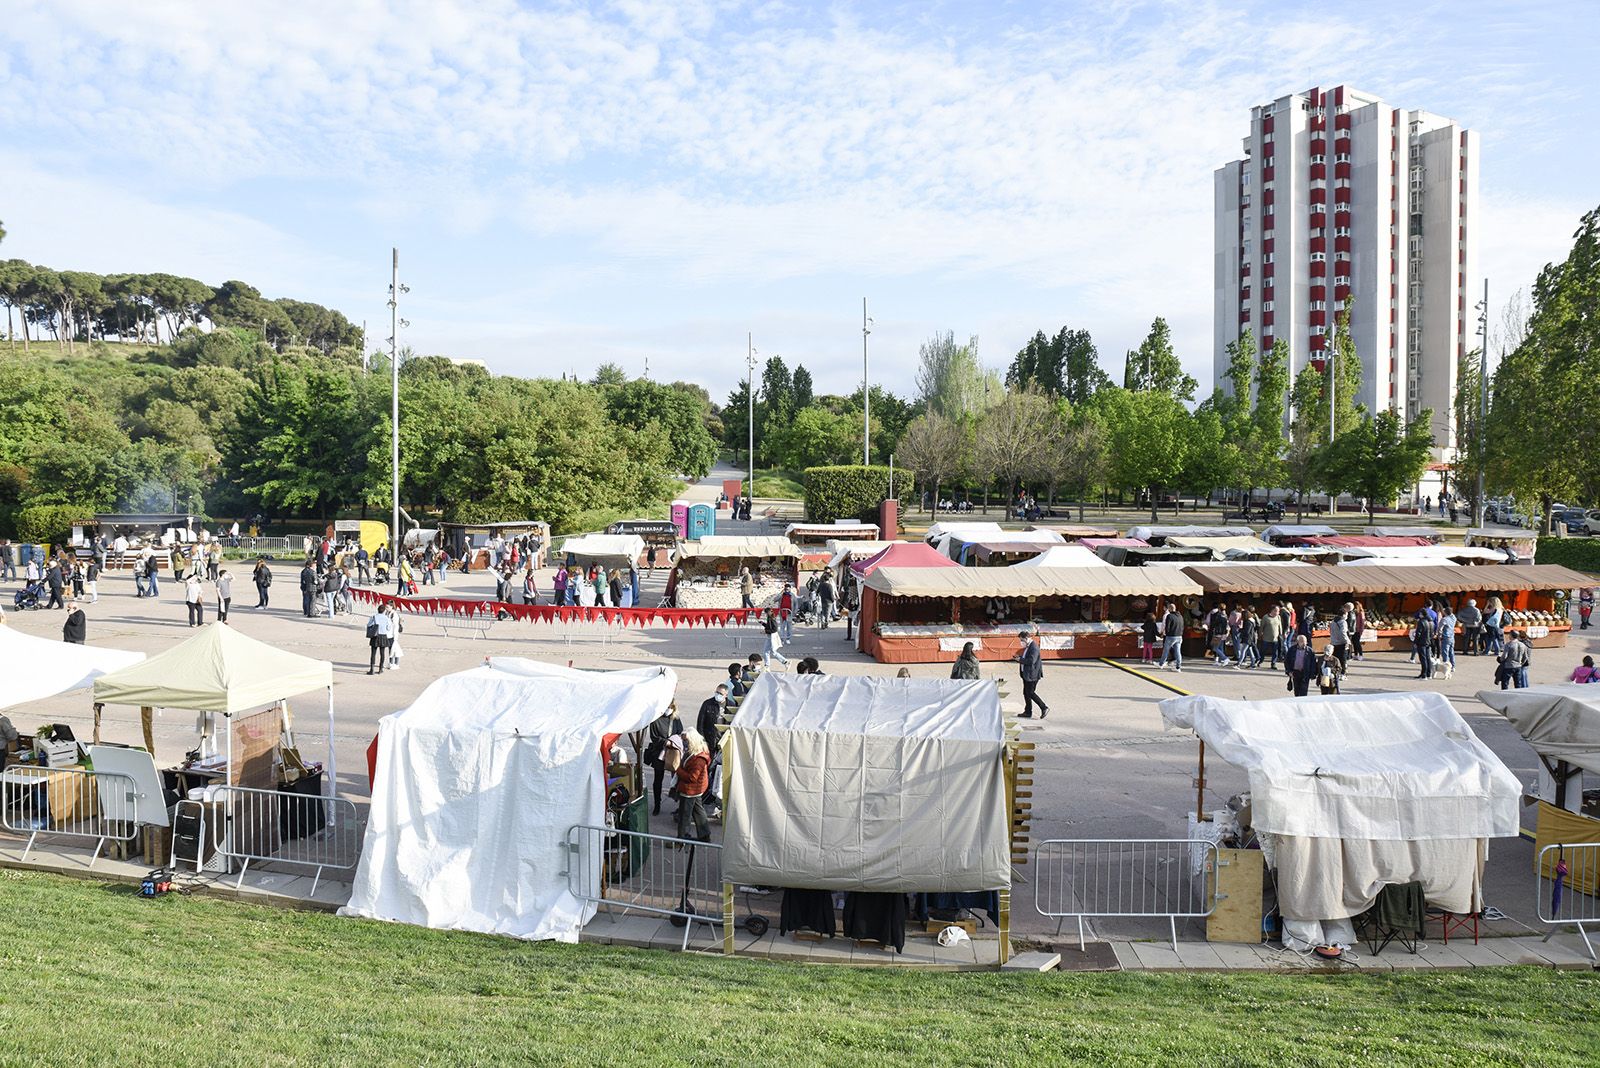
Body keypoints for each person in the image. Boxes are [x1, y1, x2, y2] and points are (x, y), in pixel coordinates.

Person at [643, 703, 684, 815]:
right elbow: (654, 737)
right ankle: (657, 804)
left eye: (670, 708)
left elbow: (680, 733)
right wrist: (666, 742)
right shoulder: (656, 720)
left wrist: (674, 742)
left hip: (673, 753)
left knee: (677, 779)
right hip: (659, 753)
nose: (668, 710)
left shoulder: (675, 719)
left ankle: (679, 805)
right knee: (658, 780)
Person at [675, 730, 713, 842]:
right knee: (698, 811)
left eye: (686, 740)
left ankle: (682, 838)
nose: (684, 742)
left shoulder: (698, 759)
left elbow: (692, 778)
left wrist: (678, 769)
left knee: (684, 815)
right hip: (696, 788)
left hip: (690, 790)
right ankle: (705, 835)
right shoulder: (698, 753)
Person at [1015, 630, 1047, 719]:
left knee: (1030, 693)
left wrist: (1020, 660)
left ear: (1027, 638)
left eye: (1022, 640)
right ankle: (1028, 711)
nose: (1021, 642)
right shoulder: (1028, 647)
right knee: (1026, 693)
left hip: (1032, 674)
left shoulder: (1034, 647)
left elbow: (1031, 661)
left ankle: (1044, 707)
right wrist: (1020, 658)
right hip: (1026, 674)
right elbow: (1026, 658)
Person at [364, 606, 392, 674]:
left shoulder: (374, 617)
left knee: (373, 653)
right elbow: (388, 628)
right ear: (384, 611)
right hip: (383, 636)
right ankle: (380, 669)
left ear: (378, 610)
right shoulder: (387, 618)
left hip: (375, 636)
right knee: (382, 653)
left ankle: (372, 669)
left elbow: (369, 625)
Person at [1159, 602, 1185, 671]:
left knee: (1166, 650)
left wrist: (1166, 633)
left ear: (1169, 609)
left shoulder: (1169, 616)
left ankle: (1161, 664)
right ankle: (1178, 667)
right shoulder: (1180, 616)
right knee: (1178, 651)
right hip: (1179, 636)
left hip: (1171, 636)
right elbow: (1182, 626)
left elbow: (1167, 627)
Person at [1258, 604, 1282, 670]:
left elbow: (1280, 626)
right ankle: (1260, 660)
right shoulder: (1265, 617)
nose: (1278, 612)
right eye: (1277, 611)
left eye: (1278, 611)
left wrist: (1281, 633)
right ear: (1272, 611)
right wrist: (1260, 635)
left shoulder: (1278, 617)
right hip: (1266, 638)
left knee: (1275, 652)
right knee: (1263, 650)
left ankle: (1273, 663)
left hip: (1275, 638)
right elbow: (1261, 627)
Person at [1412, 608, 1434, 679]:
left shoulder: (1421, 622)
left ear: (1422, 614)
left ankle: (1424, 674)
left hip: (1422, 642)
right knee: (1428, 658)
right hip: (1428, 642)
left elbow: (1418, 633)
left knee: (1423, 658)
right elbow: (1431, 633)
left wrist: (1415, 642)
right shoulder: (1431, 622)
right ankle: (1428, 673)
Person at [1327, 606, 1350, 676]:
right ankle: (1343, 673)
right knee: (1343, 659)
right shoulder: (1343, 622)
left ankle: (1335, 672)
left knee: (1335, 658)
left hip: (1334, 642)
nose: (1347, 616)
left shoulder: (1333, 621)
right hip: (1342, 643)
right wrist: (1347, 641)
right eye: (1346, 614)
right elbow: (1343, 632)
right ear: (1344, 615)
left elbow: (1331, 632)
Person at [1437, 603, 1458, 677]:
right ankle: (1453, 666)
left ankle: (1447, 665)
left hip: (1446, 637)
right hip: (1452, 636)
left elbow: (1440, 628)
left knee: (1445, 652)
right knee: (1451, 652)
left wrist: (1439, 635)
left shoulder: (1444, 619)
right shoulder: (1453, 617)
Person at [387, 604, 405, 671]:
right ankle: (391, 663)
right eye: (386, 607)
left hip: (393, 634)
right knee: (390, 649)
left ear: (392, 607)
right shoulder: (388, 613)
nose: (386, 608)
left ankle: (396, 664)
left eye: (388, 607)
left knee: (395, 650)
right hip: (389, 634)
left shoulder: (394, 615)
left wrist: (395, 636)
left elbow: (396, 626)